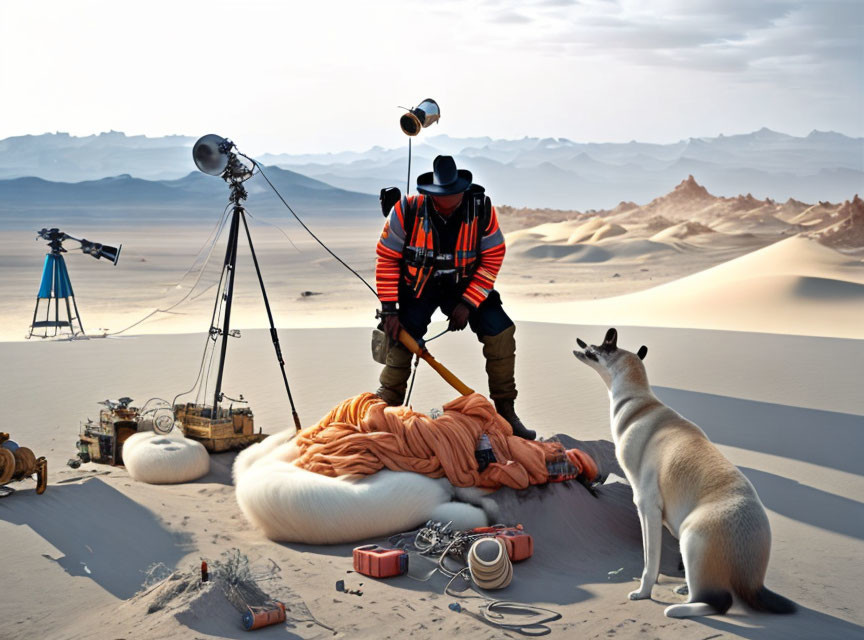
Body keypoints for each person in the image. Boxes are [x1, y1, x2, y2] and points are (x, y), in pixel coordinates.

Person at [374, 155, 536, 440]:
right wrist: (389, 309)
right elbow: (387, 258)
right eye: (441, 197)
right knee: (402, 333)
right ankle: (387, 402)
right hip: (418, 286)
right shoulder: (406, 211)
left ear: (462, 191)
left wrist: (469, 302)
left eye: (452, 196)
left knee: (501, 330)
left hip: (465, 284)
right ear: (431, 194)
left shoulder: (481, 210)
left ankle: (506, 410)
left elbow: (492, 257)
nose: (447, 203)